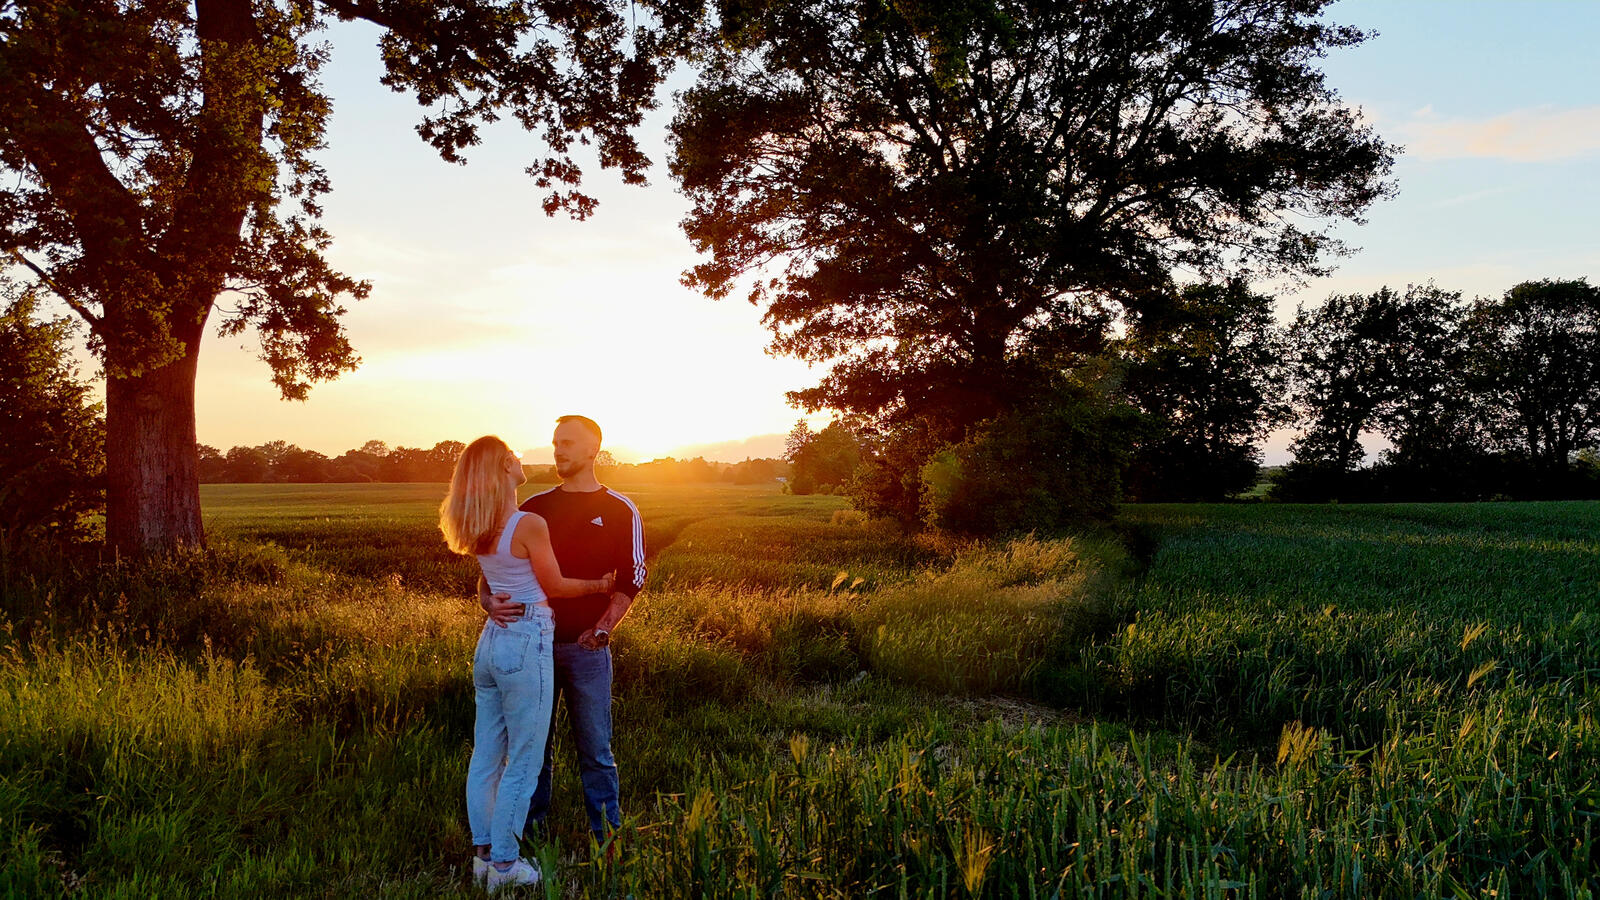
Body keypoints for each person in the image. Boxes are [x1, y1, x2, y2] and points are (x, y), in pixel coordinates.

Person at [439, 435, 615, 891]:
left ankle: (482, 856)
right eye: (512, 458)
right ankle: (504, 865)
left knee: (486, 756)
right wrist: (600, 584)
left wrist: (487, 602)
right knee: (524, 759)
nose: (521, 461)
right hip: (527, 638)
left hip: (492, 643)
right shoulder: (527, 523)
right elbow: (553, 585)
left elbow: (490, 580)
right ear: (502, 471)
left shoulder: (479, 523)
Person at [479, 415, 645, 848]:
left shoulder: (619, 509)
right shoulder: (534, 507)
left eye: (568, 443)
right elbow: (494, 564)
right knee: (534, 750)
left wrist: (604, 630)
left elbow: (633, 577)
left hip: (587, 648)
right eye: (555, 443)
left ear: (593, 450)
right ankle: (531, 838)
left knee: (596, 751)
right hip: (532, 645)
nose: (558, 450)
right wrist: (487, 599)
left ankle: (606, 840)